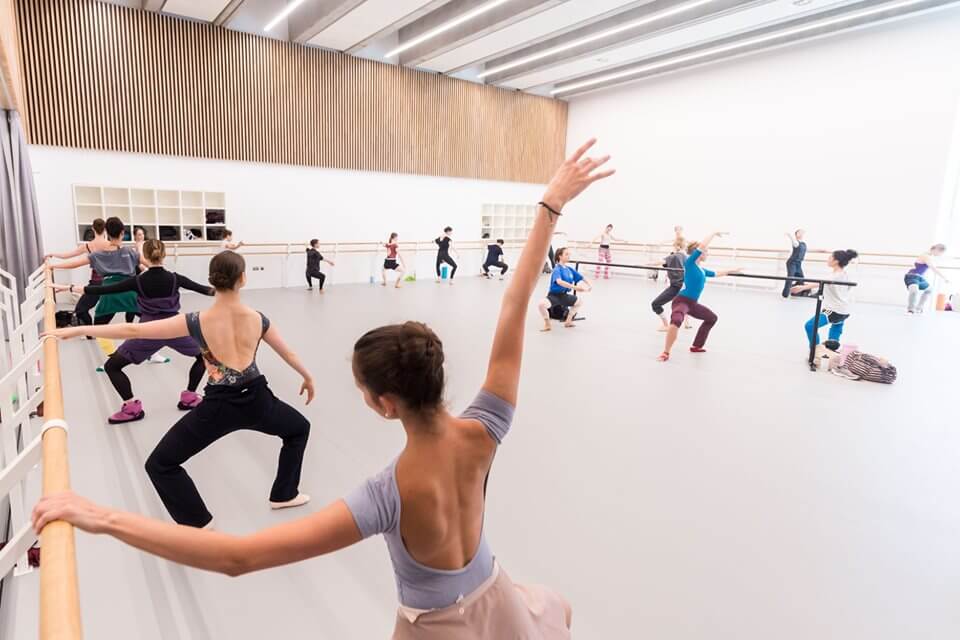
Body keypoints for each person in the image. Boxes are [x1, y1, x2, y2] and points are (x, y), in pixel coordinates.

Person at [33, 139, 614, 639]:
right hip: (498, 597)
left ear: (384, 405)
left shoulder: (387, 493)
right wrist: (549, 205)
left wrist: (98, 515)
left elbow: (239, 558)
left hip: (436, 628)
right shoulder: (485, 428)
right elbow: (514, 307)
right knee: (552, 604)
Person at [42, 250, 314, 526]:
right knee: (298, 429)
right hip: (258, 400)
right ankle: (283, 494)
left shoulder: (195, 321)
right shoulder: (259, 318)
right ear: (243, 279)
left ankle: (197, 524)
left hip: (218, 408)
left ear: (212, 279)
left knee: (160, 464)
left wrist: (76, 331)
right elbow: (288, 353)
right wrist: (307, 377)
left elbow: (134, 331)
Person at [50, 240, 214, 423]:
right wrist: (228, 287)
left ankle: (132, 408)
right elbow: (206, 290)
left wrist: (69, 288)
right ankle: (189, 397)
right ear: (164, 255)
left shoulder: (138, 280)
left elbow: (103, 289)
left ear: (144, 256)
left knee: (112, 366)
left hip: (147, 332)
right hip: (176, 328)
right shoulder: (176, 278)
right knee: (204, 356)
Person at [657, 232, 741, 362]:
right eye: (706, 252)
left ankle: (696, 346)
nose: (707, 254)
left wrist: (732, 271)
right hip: (682, 301)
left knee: (712, 318)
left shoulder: (701, 269)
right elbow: (702, 245)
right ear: (699, 253)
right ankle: (665, 352)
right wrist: (713, 233)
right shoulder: (690, 263)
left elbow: (716, 273)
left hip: (693, 304)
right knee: (677, 320)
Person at [48, 217, 140, 327]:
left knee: (94, 322)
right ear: (122, 232)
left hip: (104, 289)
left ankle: (93, 335)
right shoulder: (125, 250)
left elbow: (72, 261)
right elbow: (148, 264)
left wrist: (53, 264)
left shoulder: (94, 250)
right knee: (144, 314)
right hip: (124, 290)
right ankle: (133, 334)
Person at [45, 218, 110, 330]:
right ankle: (94, 333)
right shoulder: (111, 245)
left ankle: (91, 333)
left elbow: (68, 255)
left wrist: (53, 254)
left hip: (96, 284)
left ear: (93, 228)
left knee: (81, 310)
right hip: (110, 283)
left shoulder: (88, 246)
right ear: (105, 229)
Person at [791, 250, 858, 350]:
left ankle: (816, 350)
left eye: (830, 257)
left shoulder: (834, 276)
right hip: (845, 310)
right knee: (836, 326)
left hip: (834, 310)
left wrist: (802, 287)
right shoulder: (845, 274)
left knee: (810, 326)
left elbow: (821, 283)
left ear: (836, 261)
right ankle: (831, 348)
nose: (828, 259)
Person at [538, 247, 592, 330]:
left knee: (579, 302)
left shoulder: (569, 269)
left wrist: (589, 284)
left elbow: (580, 277)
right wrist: (575, 287)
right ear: (560, 256)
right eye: (566, 254)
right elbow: (559, 282)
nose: (568, 256)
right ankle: (547, 323)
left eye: (569, 254)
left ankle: (568, 321)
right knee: (541, 305)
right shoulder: (557, 269)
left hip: (563, 296)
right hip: (553, 296)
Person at [651, 238, 691, 331]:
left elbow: (660, 262)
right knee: (684, 305)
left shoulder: (674, 256)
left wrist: (645, 264)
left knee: (655, 304)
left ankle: (666, 325)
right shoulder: (688, 258)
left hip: (676, 287)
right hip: (685, 288)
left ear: (677, 246)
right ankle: (685, 323)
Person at [904, 244, 950, 314]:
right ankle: (910, 309)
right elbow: (933, 268)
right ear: (936, 250)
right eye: (940, 253)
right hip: (911, 276)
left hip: (919, 278)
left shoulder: (929, 256)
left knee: (929, 290)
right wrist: (944, 277)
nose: (939, 255)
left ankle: (919, 307)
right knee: (914, 291)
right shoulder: (926, 256)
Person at [782, 229, 808, 298]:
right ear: (796, 235)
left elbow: (807, 250)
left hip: (798, 264)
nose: (801, 234)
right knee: (790, 278)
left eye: (802, 233)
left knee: (801, 279)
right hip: (792, 263)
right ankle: (785, 294)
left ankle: (798, 292)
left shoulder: (804, 244)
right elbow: (792, 240)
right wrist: (788, 234)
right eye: (799, 233)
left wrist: (820, 250)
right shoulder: (796, 243)